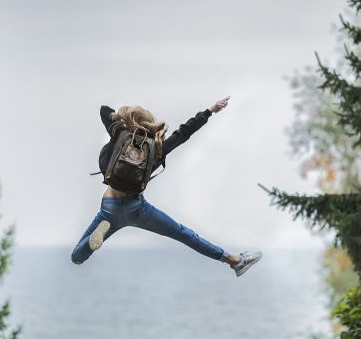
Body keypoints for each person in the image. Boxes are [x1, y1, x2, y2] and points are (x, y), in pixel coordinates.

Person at [71, 96, 262, 277]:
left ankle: (91, 243)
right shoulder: (155, 148)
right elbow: (184, 133)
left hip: (109, 208)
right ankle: (235, 261)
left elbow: (104, 110)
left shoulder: (120, 135)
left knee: (76, 257)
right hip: (137, 209)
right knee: (184, 234)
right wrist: (209, 111)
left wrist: (124, 123)